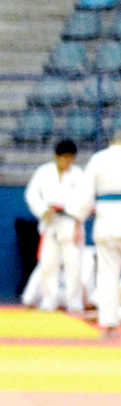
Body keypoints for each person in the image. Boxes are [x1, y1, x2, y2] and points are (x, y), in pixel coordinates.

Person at [23, 138, 87, 314]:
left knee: (73, 264)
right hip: (50, 223)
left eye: (71, 159)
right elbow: (31, 195)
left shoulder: (79, 174)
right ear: (56, 157)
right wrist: (44, 210)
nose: (68, 162)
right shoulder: (44, 172)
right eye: (65, 158)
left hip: (70, 222)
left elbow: (85, 199)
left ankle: (74, 303)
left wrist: (73, 211)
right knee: (48, 264)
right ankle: (48, 300)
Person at [71, 129, 121, 336]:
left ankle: (109, 322)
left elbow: (84, 195)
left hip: (107, 221)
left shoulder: (98, 160)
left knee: (108, 273)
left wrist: (77, 220)